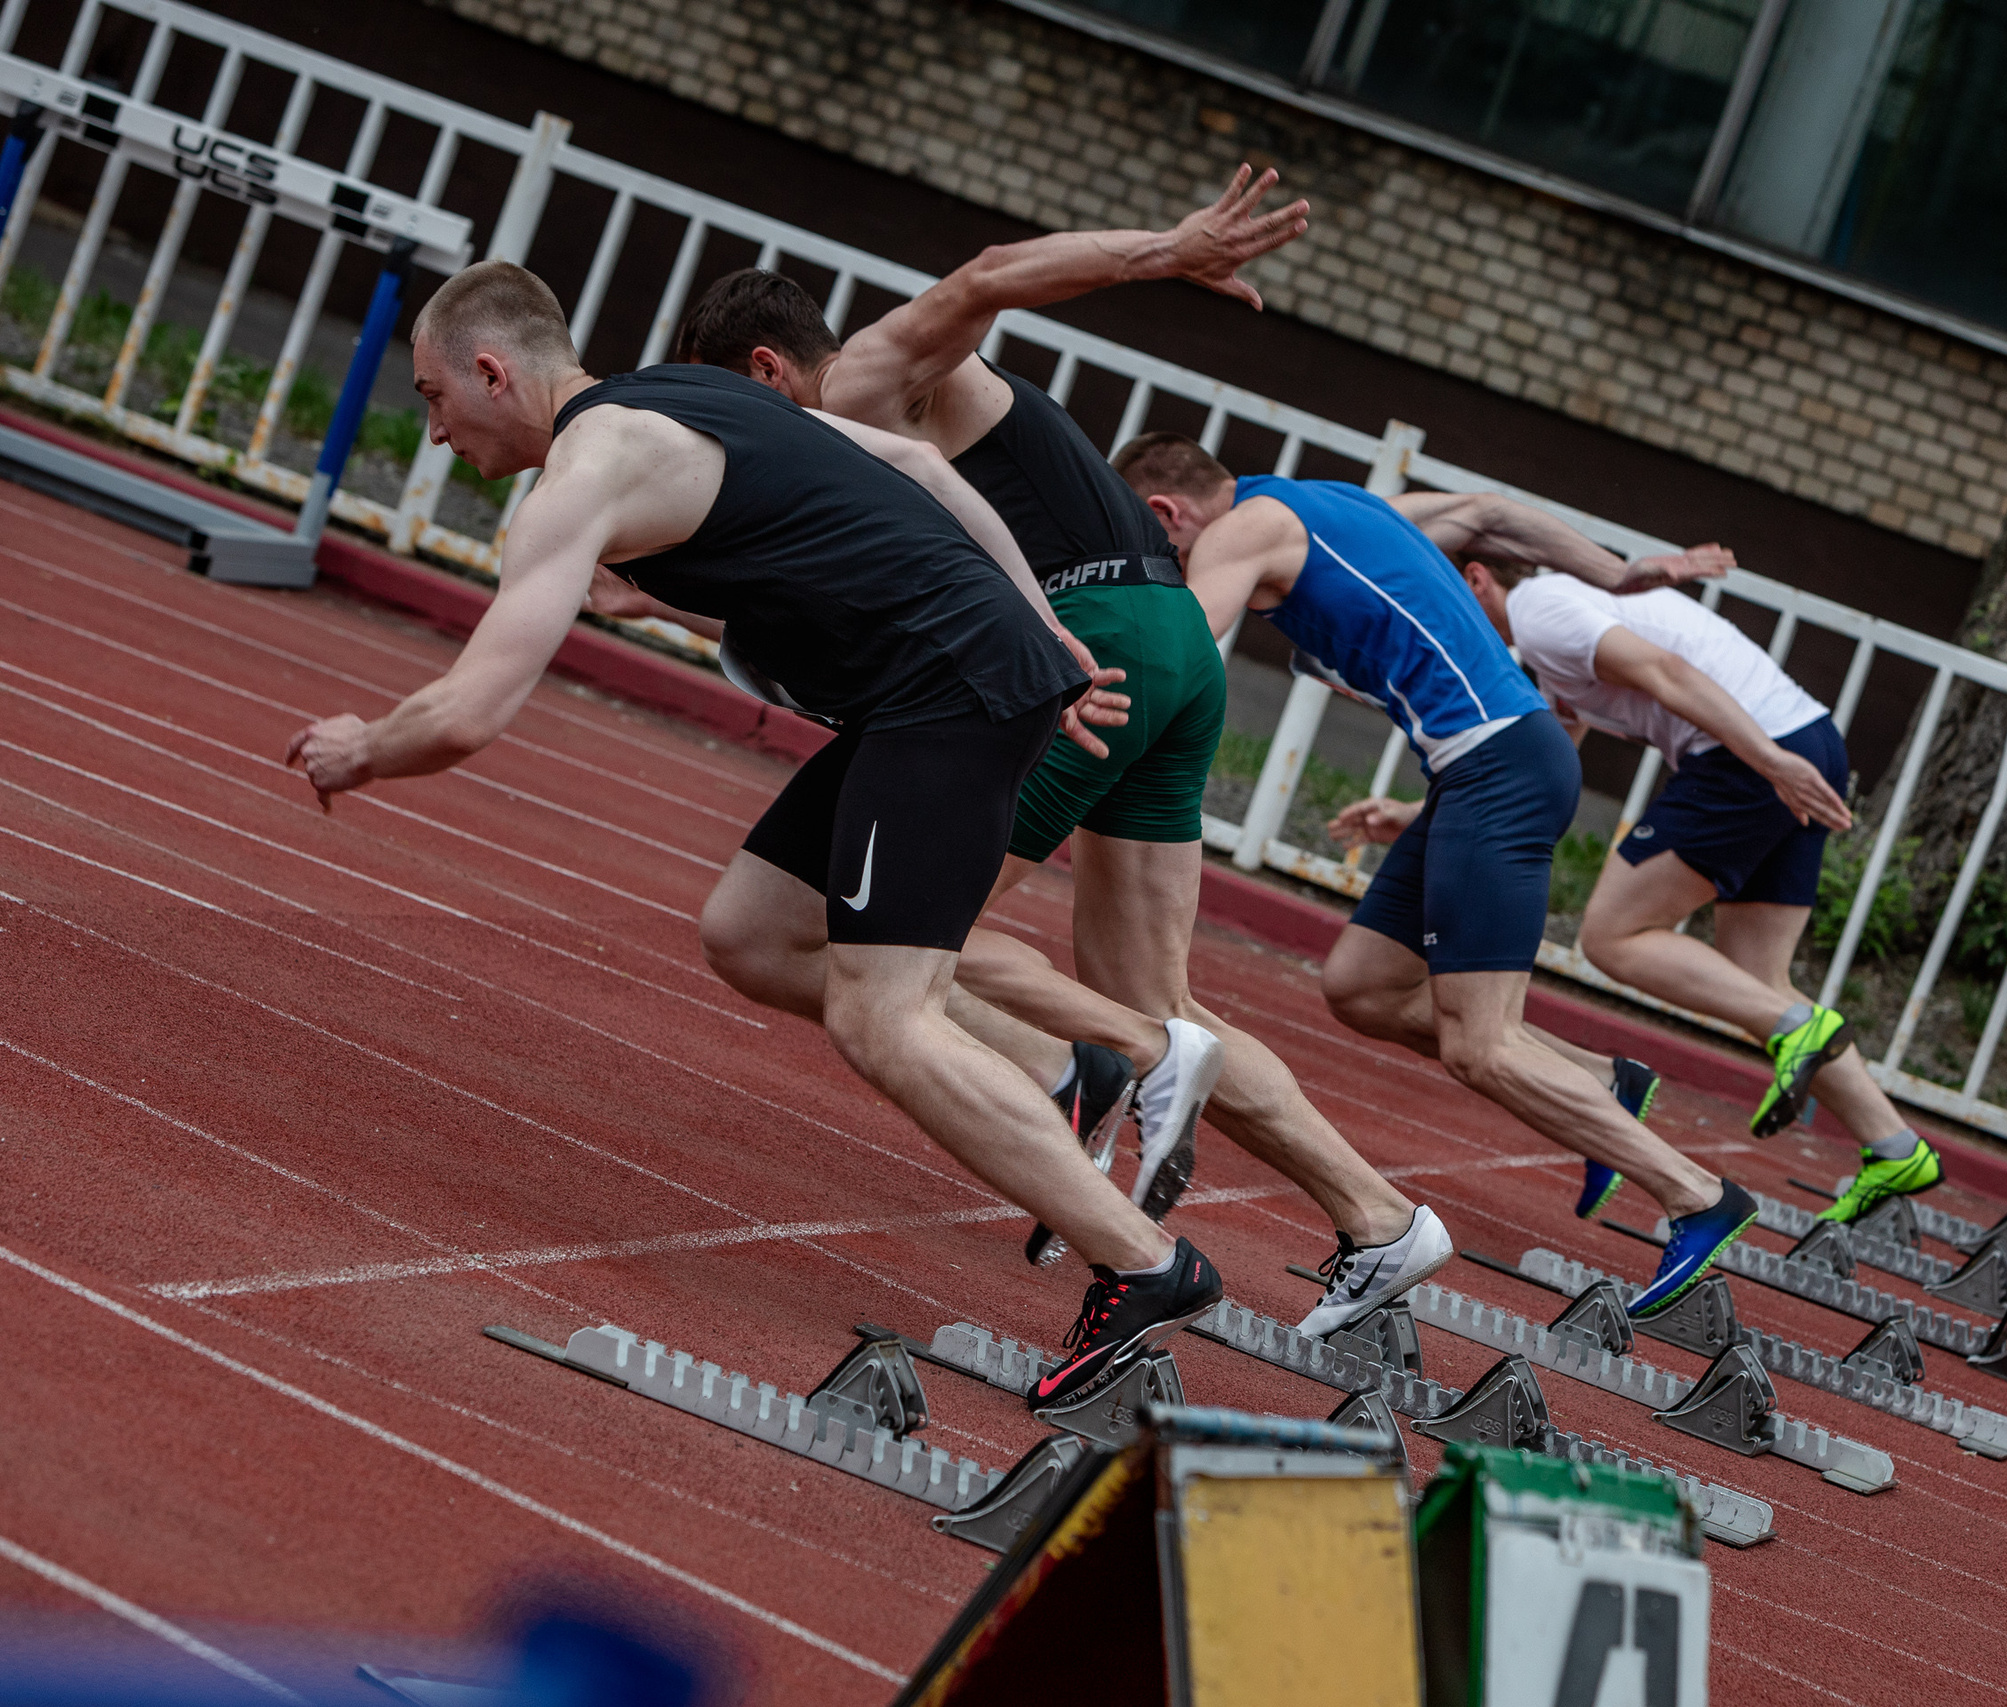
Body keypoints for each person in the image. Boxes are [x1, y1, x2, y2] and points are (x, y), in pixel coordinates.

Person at [284, 261, 1216, 1411]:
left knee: (882, 1016)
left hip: (947, 697)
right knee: (752, 930)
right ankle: (1056, 1069)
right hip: (942, 686)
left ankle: (1145, 1264)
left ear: (492, 369)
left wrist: (363, 747)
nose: (433, 432)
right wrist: (1047, 635)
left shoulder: (585, 472)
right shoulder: (682, 393)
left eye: (433, 396)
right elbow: (916, 470)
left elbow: (472, 710)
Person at [624, 168, 1451, 1334]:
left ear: (766, 373)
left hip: (1085, 646)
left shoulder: (866, 378)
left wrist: (1165, 249)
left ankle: (1103, 1065)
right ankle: (1378, 1217)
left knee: (905, 940)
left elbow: (986, 278)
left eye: (730, 413)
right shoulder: (840, 452)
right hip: (1166, 646)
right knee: (1147, 986)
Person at [1114, 432, 1760, 1320]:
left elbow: (1176, 655)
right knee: (1363, 986)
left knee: (1481, 1043)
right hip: (1483, 766)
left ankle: (1695, 1192)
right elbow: (1487, 514)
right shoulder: (1335, 503)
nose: (1179, 565)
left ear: (1169, 515)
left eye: (1166, 554)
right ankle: (1599, 1080)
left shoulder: (1241, 529)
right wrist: (1616, 573)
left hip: (1496, 763)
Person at [1456, 556, 1943, 1223]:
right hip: (1804, 734)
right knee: (1751, 977)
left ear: (1479, 577)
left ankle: (1798, 1028)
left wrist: (1769, 763)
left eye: (1444, 591)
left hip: (1753, 752)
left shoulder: (1540, 609)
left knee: (1611, 934)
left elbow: (1669, 674)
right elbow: (1551, 754)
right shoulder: (1552, 637)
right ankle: (1894, 1146)